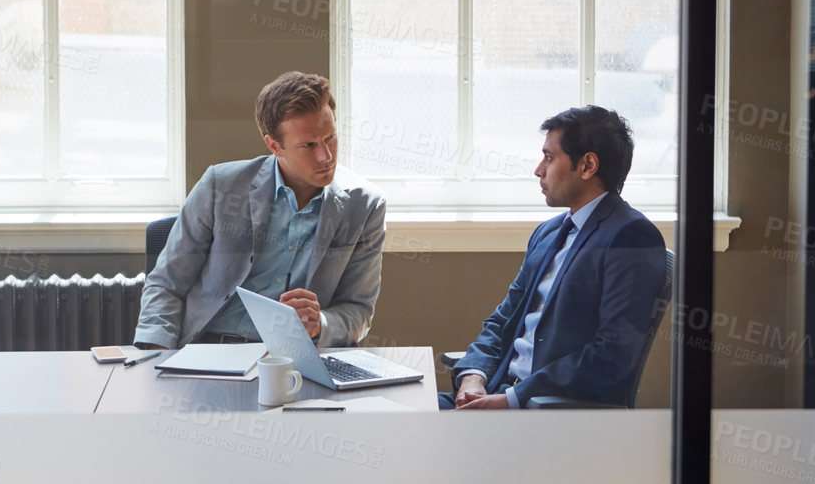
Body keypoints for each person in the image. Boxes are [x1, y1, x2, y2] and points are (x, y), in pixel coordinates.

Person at [134, 71, 387, 349]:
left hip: (296, 357)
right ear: (274, 146)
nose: (325, 156)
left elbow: (358, 310)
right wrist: (155, 355)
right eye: (309, 145)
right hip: (210, 348)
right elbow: (167, 283)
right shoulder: (220, 185)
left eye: (330, 138)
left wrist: (320, 324)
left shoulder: (365, 205)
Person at [448, 106, 668, 409]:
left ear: (588, 165)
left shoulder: (632, 237)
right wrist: (473, 375)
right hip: (496, 395)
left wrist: (511, 400)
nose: (538, 169)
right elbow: (503, 321)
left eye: (549, 158)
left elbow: (612, 356)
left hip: (549, 413)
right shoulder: (548, 232)